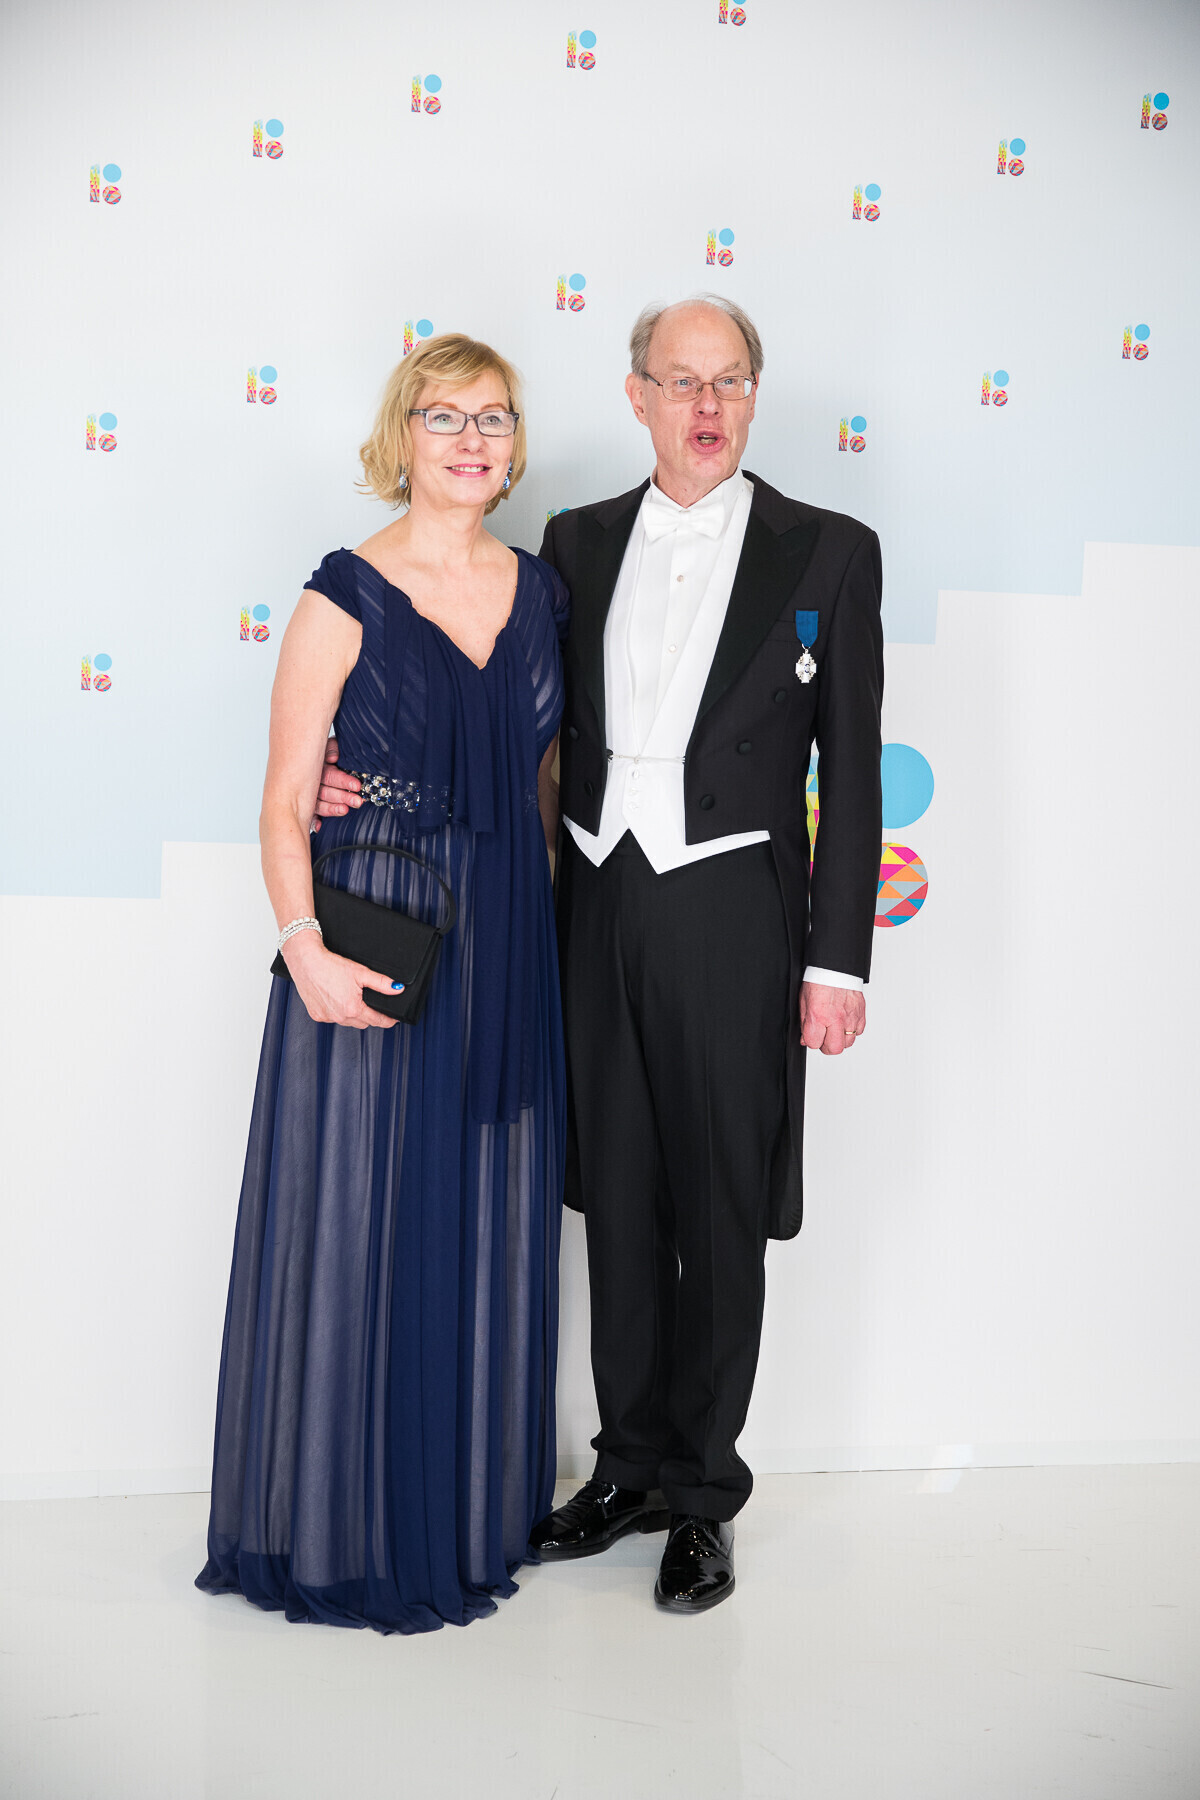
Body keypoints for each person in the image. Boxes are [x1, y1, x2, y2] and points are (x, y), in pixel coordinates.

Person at [316, 294, 884, 1615]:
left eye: (729, 380)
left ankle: (704, 1494)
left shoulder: (830, 550)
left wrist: (838, 963)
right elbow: (499, 707)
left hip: (734, 907)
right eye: (681, 381)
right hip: (589, 899)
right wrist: (355, 768)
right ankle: (626, 1467)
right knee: (617, 1193)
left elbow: (851, 776)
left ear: (754, 395)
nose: (706, 405)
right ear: (637, 397)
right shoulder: (574, 541)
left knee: (719, 1206)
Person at [196, 333, 570, 1635]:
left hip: (508, 938)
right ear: (401, 436)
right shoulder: (343, 594)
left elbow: (544, 781)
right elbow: (284, 798)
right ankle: (345, 1525)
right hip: (377, 942)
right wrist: (303, 949)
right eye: (444, 416)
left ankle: (462, 1517)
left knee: (482, 1215)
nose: (472, 440)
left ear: (514, 445)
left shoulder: (542, 590)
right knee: (365, 1219)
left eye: (494, 418)